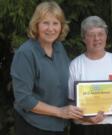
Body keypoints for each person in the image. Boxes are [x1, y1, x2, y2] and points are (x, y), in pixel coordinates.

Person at [10, 1, 83, 135]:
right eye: (45, 23)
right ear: (36, 25)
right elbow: (24, 99)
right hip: (33, 126)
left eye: (55, 23)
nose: (51, 29)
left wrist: (87, 110)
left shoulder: (59, 48)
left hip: (59, 126)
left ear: (61, 26)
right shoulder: (26, 53)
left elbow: (66, 83)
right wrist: (60, 111)